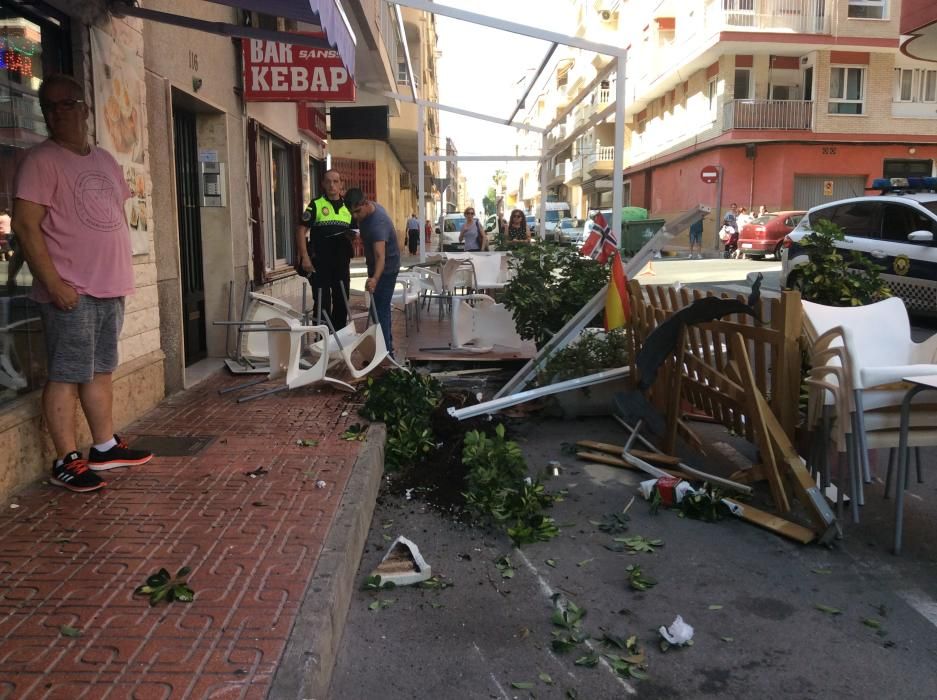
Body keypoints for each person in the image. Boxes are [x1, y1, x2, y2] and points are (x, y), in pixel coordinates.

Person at [12, 73, 152, 493]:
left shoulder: (104, 159)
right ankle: (65, 459)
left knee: (100, 370)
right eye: (49, 107)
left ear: (84, 108)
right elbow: (24, 224)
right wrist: (53, 283)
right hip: (70, 289)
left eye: (64, 104)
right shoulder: (40, 161)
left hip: (109, 286)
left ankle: (105, 446)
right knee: (66, 374)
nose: (56, 113)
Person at [294, 169, 354, 327]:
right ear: (322, 184)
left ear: (341, 184)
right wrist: (304, 257)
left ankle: (338, 337)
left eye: (335, 181)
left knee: (342, 300)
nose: (331, 185)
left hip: (341, 261)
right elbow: (301, 230)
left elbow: (356, 231)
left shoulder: (348, 206)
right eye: (328, 181)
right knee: (322, 301)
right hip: (320, 262)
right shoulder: (316, 205)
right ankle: (321, 341)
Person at [344, 188, 400, 357]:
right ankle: (386, 348)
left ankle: (385, 354)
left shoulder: (378, 224)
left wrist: (375, 278)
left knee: (379, 309)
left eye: (357, 212)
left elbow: (380, 256)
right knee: (378, 308)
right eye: (351, 213)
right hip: (375, 265)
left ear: (366, 203)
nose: (355, 217)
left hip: (386, 269)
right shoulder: (369, 210)